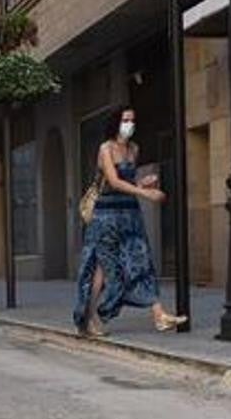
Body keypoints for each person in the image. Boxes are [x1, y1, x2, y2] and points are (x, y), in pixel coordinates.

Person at [74, 106, 187, 336]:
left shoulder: (134, 149)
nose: (129, 124)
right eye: (125, 120)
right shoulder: (105, 149)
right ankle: (89, 316)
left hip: (130, 213)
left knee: (141, 260)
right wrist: (145, 194)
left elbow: (129, 180)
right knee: (102, 270)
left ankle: (159, 315)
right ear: (116, 122)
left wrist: (144, 182)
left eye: (132, 120)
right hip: (106, 215)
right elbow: (114, 182)